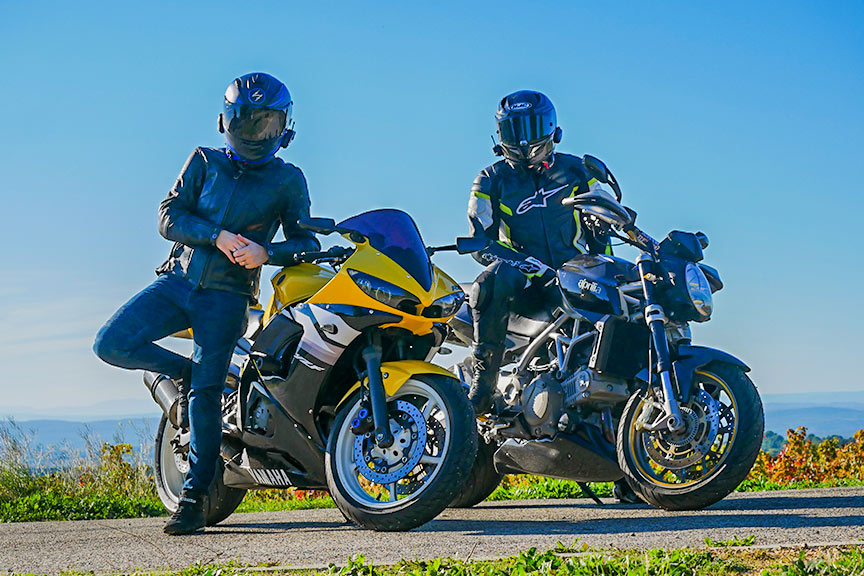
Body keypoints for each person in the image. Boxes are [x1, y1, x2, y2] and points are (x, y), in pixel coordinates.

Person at [93, 72, 320, 534]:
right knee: (110, 342)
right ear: (228, 120)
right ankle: (184, 372)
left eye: (268, 122)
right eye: (249, 120)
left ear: (284, 127)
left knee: (207, 397)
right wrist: (215, 236)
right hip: (176, 284)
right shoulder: (203, 161)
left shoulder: (288, 179)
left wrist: (267, 253)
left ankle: (194, 500)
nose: (258, 130)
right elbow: (167, 215)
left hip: (228, 298)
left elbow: (307, 242)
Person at [465, 90, 641, 504]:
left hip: (582, 274)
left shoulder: (579, 169)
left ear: (552, 129)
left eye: (532, 129)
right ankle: (482, 382)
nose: (525, 140)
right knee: (491, 279)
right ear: (499, 134)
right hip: (528, 282)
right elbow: (478, 241)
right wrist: (529, 266)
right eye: (514, 130)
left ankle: (632, 467)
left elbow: (614, 212)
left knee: (630, 333)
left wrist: (610, 228)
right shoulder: (490, 179)